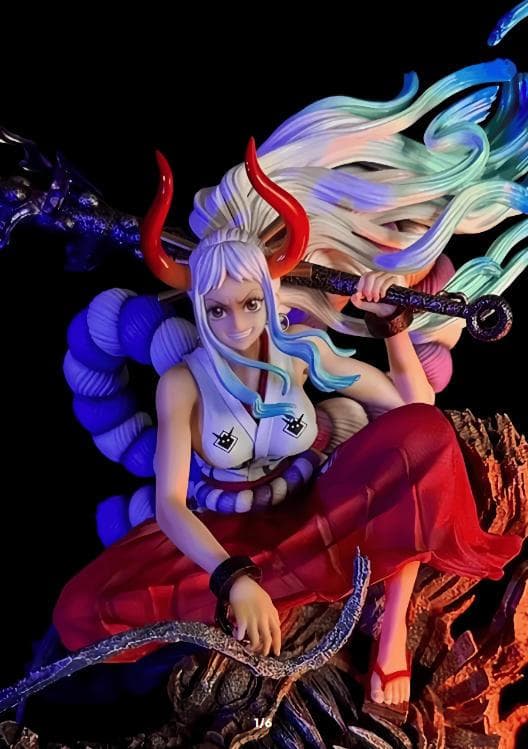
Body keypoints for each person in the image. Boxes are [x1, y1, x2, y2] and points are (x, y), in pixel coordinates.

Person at [52, 140, 523, 713]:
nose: (236, 323)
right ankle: (264, 603)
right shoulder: (182, 383)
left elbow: (415, 410)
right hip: (228, 536)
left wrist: (392, 325)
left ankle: (391, 626)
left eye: (250, 304)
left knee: (425, 441)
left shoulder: (299, 350)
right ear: (198, 306)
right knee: (78, 612)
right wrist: (232, 578)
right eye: (218, 309)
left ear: (269, 297)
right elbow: (172, 505)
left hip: (314, 511)